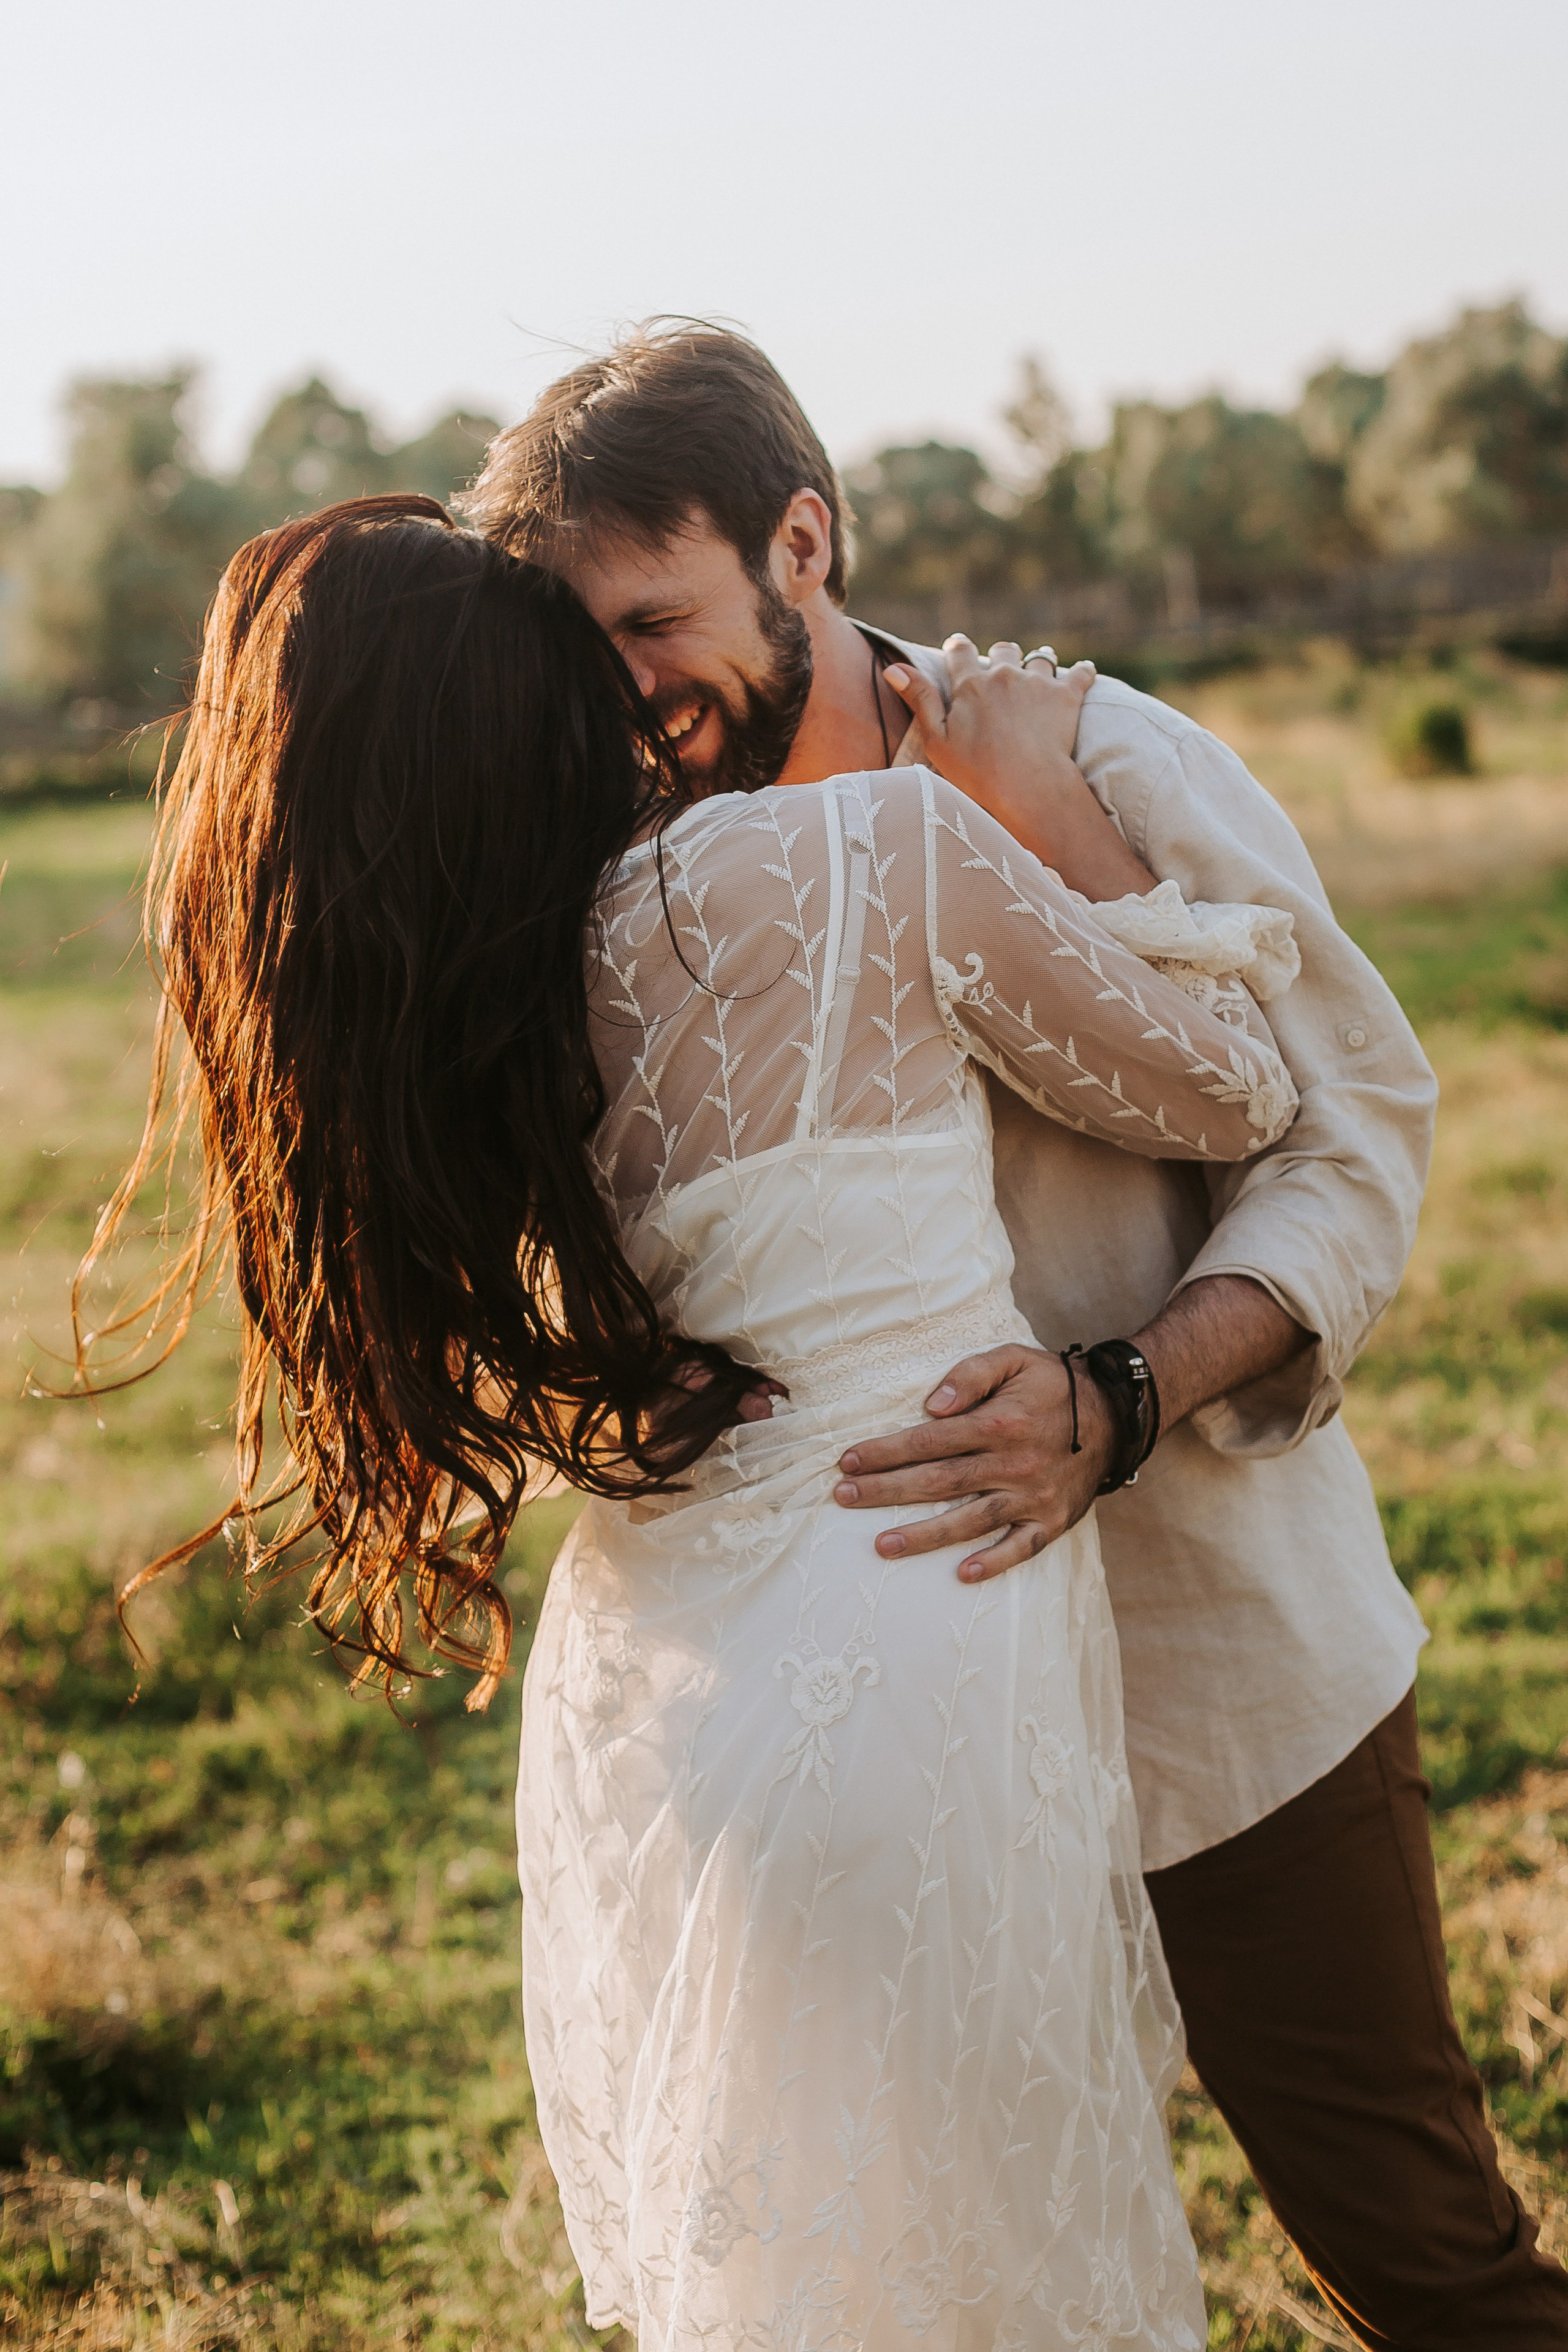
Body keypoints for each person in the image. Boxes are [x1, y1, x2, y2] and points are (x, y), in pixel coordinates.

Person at [86, 492, 1302, 2348]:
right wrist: (1033, 803)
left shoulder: (474, 1001)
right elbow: (1231, 1091)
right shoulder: (866, 850)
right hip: (924, 1619)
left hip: (652, 1702)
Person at [464, 320, 1568, 2348]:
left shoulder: (1094, 756)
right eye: (580, 645)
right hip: (877, 1704)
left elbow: (1348, 1131)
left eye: (653, 619)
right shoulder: (616, 871)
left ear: (806, 541)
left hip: (1212, 1667)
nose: (623, 689)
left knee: (1418, 2256)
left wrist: (1127, 1393)